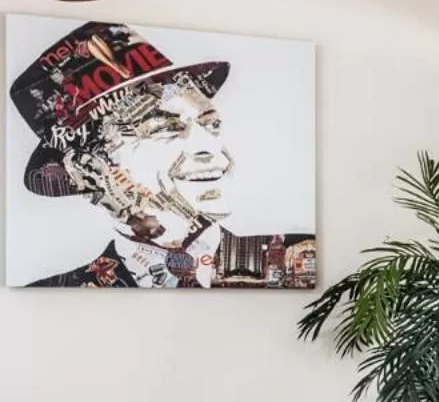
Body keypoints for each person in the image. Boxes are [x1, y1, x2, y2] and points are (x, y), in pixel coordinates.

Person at [8, 20, 314, 288]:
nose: (208, 146)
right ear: (89, 170)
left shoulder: (300, 262)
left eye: (211, 124)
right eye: (163, 128)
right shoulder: (64, 296)